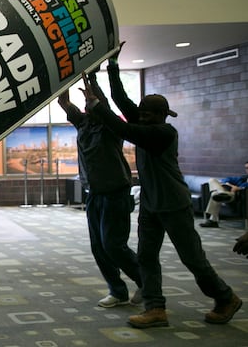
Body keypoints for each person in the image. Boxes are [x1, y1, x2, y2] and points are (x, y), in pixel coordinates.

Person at [77, 54, 242, 329]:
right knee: (146, 257)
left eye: (149, 113)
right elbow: (120, 101)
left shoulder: (162, 133)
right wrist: (111, 69)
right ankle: (155, 308)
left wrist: (96, 103)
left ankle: (225, 297)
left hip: (174, 204)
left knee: (192, 258)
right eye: (141, 112)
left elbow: (119, 126)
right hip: (152, 206)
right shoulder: (144, 124)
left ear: (163, 115)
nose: (142, 116)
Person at [57, 72, 143, 308]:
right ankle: (117, 290)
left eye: (91, 103)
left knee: (113, 244)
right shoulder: (83, 123)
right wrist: (62, 78)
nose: (87, 105)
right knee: (99, 247)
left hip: (116, 193)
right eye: (87, 103)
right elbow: (63, 102)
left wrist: (93, 83)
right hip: (94, 194)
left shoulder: (112, 127)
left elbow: (103, 105)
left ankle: (146, 282)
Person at [199, 161, 248, 228]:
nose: (247, 170)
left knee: (215, 194)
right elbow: (227, 179)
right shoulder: (243, 178)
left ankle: (213, 221)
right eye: (246, 168)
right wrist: (231, 185)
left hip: (233, 196)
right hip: (227, 193)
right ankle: (221, 193)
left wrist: (239, 188)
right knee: (212, 180)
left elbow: (245, 187)